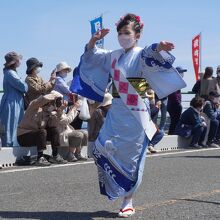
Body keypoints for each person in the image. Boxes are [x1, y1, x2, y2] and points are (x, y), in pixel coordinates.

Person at [71, 13, 182, 218]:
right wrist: (93, 40)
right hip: (116, 112)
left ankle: (128, 200)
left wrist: (158, 46)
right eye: (120, 33)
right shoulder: (113, 55)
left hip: (136, 114)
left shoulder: (140, 53)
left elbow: (151, 53)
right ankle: (117, 189)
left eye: (127, 33)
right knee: (100, 148)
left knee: (130, 160)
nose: (123, 36)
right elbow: (91, 57)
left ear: (137, 34)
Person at [17, 91, 68, 166]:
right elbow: (41, 100)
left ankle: (55, 155)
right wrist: (53, 95)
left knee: (54, 130)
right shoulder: (34, 106)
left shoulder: (48, 112)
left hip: (37, 136)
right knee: (42, 131)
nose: (52, 104)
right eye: (52, 102)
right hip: (24, 136)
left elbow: (54, 125)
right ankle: (40, 157)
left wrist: (59, 111)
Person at [0, 51, 28, 147]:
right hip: (12, 102)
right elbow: (23, 87)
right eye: (18, 60)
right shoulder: (11, 73)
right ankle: (8, 148)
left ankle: (13, 148)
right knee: (10, 126)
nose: (20, 61)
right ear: (14, 62)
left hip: (13, 101)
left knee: (13, 126)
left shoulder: (9, 73)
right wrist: (25, 85)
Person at [48, 97, 88, 162]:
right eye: (60, 101)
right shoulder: (52, 112)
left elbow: (67, 117)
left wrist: (73, 109)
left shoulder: (61, 111)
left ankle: (78, 153)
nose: (63, 102)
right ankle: (70, 154)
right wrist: (74, 109)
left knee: (85, 133)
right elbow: (66, 120)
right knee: (77, 134)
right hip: (61, 133)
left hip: (68, 131)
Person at [87, 92, 113, 157]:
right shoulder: (97, 112)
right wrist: (90, 137)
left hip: (106, 139)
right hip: (96, 139)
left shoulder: (109, 112)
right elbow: (92, 126)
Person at [167, 66, 187, 135]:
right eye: (181, 72)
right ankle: (172, 134)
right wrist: (178, 103)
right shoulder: (174, 81)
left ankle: (172, 133)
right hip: (174, 104)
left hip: (172, 104)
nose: (183, 74)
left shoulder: (174, 80)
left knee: (174, 120)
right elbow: (173, 93)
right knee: (175, 120)